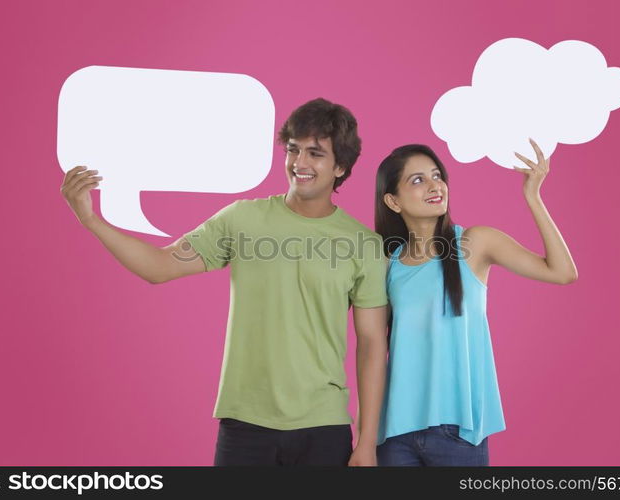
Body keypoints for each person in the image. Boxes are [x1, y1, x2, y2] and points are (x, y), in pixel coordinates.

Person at [60, 98, 388, 466]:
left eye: (315, 153)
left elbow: (372, 346)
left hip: (323, 427)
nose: (300, 163)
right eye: (293, 150)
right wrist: (92, 220)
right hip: (245, 423)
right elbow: (159, 266)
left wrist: (367, 441)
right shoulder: (242, 219)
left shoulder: (364, 245)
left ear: (340, 166)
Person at [373, 139, 577, 466]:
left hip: (459, 432)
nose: (434, 185)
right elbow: (371, 350)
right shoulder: (387, 263)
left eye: (436, 175)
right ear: (393, 201)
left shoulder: (474, 242)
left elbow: (562, 272)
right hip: (395, 434)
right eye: (417, 180)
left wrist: (533, 197)